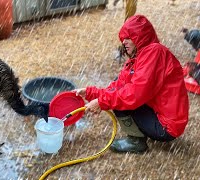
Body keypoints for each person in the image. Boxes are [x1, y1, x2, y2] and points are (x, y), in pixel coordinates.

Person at [74, 15, 189, 153]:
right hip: (160, 114)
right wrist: (91, 93)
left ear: (140, 37)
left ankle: (136, 142)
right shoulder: (140, 57)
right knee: (119, 94)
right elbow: (119, 85)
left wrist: (102, 102)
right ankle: (142, 133)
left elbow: (134, 94)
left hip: (167, 126)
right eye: (123, 39)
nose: (124, 42)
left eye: (129, 38)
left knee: (121, 104)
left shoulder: (154, 52)